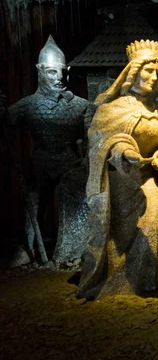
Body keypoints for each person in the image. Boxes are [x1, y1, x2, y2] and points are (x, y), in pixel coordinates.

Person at [77, 40, 158, 299]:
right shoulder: (112, 110)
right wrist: (123, 151)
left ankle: (149, 280)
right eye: (148, 70)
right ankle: (117, 281)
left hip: (147, 179)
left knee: (153, 213)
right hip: (118, 182)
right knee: (119, 237)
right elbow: (100, 141)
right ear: (133, 71)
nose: (154, 77)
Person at [7, 35, 96, 263]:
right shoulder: (28, 105)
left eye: (63, 72)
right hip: (40, 162)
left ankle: (73, 251)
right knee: (34, 207)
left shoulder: (81, 106)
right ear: (41, 71)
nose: (59, 78)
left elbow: (92, 138)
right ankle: (29, 250)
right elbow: (7, 122)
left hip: (70, 162)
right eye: (52, 72)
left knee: (77, 204)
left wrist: (86, 162)